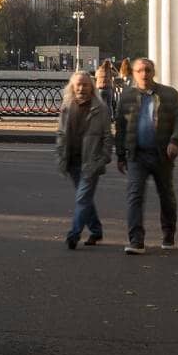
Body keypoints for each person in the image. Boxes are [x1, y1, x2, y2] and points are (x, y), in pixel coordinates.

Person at [114, 56, 178, 254]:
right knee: (134, 196)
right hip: (137, 155)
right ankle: (136, 241)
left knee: (166, 196)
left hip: (162, 154)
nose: (144, 74)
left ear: (153, 72)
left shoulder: (169, 94)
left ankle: (168, 234)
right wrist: (120, 155)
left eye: (147, 70)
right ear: (133, 73)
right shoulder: (127, 96)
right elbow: (120, 127)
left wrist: (175, 141)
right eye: (140, 71)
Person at [55, 70, 113, 249]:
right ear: (72, 86)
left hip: (91, 162)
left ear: (92, 86)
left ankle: (74, 234)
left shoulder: (100, 108)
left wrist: (103, 158)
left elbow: (107, 136)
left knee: (82, 198)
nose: (81, 88)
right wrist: (60, 154)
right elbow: (60, 133)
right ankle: (96, 231)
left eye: (85, 84)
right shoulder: (67, 106)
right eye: (78, 84)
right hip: (71, 160)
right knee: (85, 198)